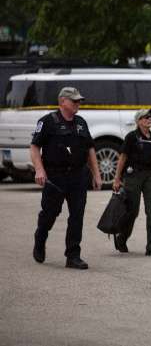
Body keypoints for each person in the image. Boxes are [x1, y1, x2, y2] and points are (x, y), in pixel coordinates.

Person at [30, 87, 102, 269]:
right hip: (55, 177)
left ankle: (73, 255)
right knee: (50, 214)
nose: (78, 104)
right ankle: (40, 238)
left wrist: (96, 174)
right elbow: (34, 147)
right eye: (74, 101)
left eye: (79, 101)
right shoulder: (47, 122)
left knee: (77, 216)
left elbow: (90, 149)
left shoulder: (81, 122)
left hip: (78, 176)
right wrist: (39, 170)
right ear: (62, 101)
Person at [112, 108, 151, 256]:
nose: (149, 119)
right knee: (132, 211)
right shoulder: (131, 137)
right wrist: (117, 178)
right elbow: (123, 158)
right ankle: (122, 238)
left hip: (149, 175)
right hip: (133, 175)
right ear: (138, 121)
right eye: (146, 117)